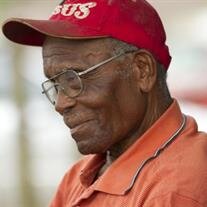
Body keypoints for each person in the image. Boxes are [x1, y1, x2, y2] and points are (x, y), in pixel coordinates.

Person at [2, 0, 207, 206]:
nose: (60, 104)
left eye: (73, 79)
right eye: (56, 84)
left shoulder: (175, 192)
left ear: (142, 70)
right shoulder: (80, 177)